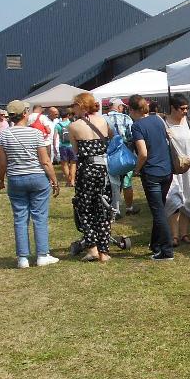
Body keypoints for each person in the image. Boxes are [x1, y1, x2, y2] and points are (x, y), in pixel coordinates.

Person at [0, 100, 60, 269]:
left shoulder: (3, 135)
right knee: (40, 217)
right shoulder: (35, 134)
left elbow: (2, 163)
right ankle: (42, 254)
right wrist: (54, 180)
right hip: (37, 177)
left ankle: (22, 258)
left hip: (16, 178)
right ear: (25, 113)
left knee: (20, 217)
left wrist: (0, 179)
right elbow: (45, 161)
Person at [68, 92, 116, 263]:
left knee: (85, 208)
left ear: (80, 105)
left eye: (74, 105)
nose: (72, 108)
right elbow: (111, 137)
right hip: (104, 170)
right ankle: (104, 251)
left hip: (86, 170)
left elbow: (75, 152)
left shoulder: (74, 126)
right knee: (103, 207)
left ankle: (92, 248)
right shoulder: (103, 121)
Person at [130, 94, 176, 260]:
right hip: (166, 170)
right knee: (160, 209)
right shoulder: (158, 119)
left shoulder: (137, 126)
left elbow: (142, 153)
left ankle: (166, 250)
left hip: (152, 173)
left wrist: (136, 169)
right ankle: (155, 244)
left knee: (158, 213)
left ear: (132, 110)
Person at [164, 92, 190, 246]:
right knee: (173, 199)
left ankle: (184, 234)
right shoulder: (164, 123)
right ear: (172, 108)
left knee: (189, 199)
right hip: (173, 167)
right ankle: (174, 236)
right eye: (181, 108)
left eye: (186, 108)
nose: (185, 111)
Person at [104, 98, 138, 217]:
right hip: (125, 154)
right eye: (122, 106)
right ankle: (129, 208)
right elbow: (131, 136)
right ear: (118, 107)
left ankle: (115, 209)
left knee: (113, 183)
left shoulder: (103, 118)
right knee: (127, 182)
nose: (123, 108)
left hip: (110, 154)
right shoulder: (126, 118)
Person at [54, 109, 77, 188]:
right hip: (72, 146)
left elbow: (55, 137)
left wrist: (54, 147)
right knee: (73, 163)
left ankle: (68, 180)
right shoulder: (71, 123)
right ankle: (73, 180)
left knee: (65, 164)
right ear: (68, 115)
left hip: (62, 146)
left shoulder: (57, 125)